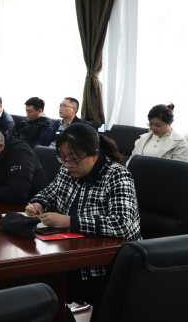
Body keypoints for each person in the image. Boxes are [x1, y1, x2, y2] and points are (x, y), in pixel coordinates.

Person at [26, 123, 140, 319]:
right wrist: (38, 204)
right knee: (32, 283)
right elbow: (49, 193)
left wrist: (69, 221)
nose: (68, 164)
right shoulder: (68, 170)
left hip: (103, 265)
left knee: (41, 289)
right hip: (69, 252)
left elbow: (123, 224)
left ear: (94, 155)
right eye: (63, 158)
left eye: (73, 159)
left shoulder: (116, 175)